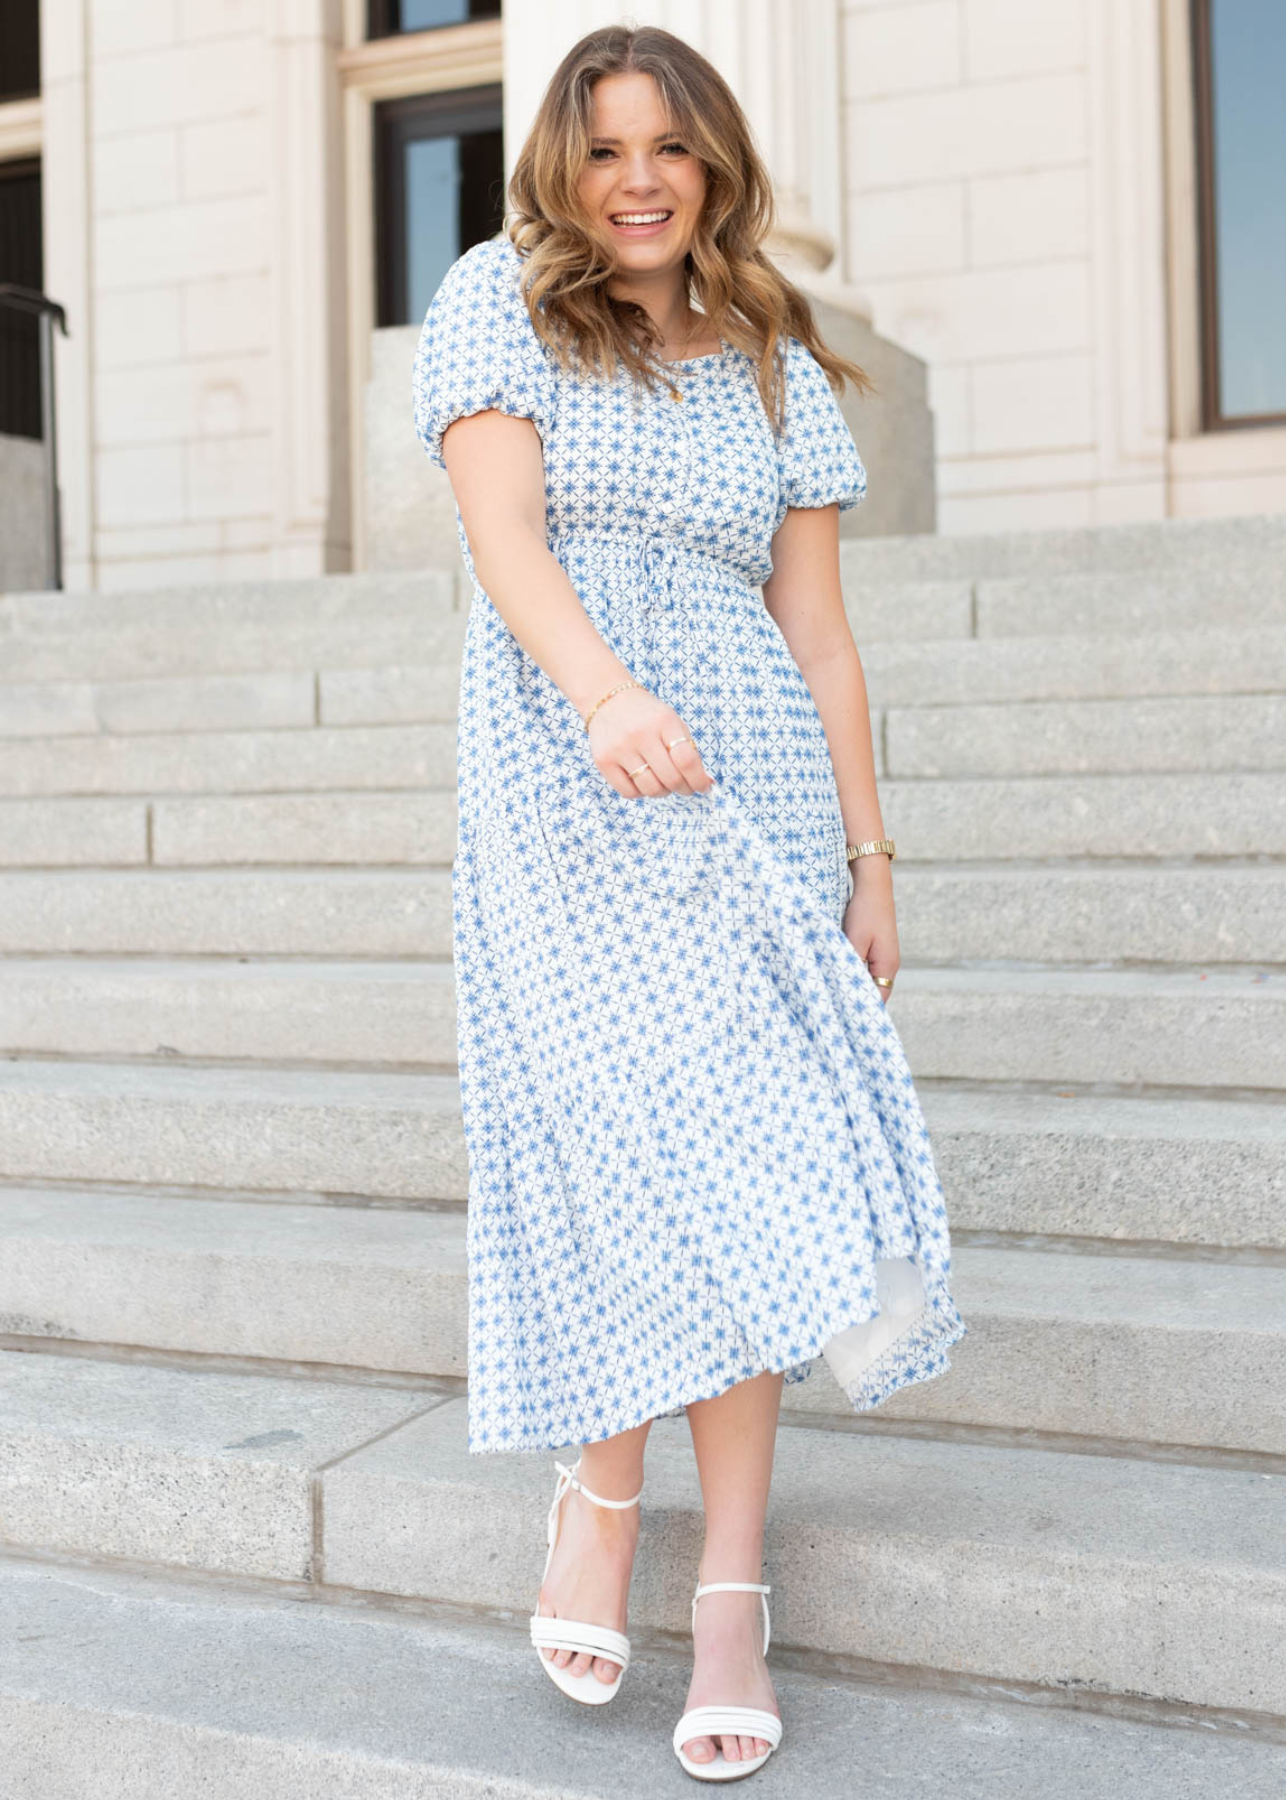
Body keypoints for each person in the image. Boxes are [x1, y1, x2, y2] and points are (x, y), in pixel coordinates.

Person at [411, 22, 967, 1782]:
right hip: (567, 763)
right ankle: (604, 1485)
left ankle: (728, 1590)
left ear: (714, 163)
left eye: (669, 147)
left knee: (754, 1157)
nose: (637, 178)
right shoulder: (495, 297)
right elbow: (503, 536)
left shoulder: (771, 356)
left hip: (755, 786)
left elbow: (815, 625)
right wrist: (599, 694)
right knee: (609, 1140)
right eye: (604, 149)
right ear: (562, 170)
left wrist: (871, 858)